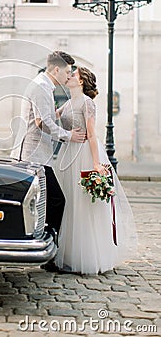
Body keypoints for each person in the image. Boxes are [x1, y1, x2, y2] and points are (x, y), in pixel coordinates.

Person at [54, 67, 137, 274]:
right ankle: (67, 254)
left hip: (82, 153)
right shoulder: (68, 102)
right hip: (67, 153)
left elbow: (91, 135)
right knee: (68, 202)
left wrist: (96, 163)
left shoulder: (86, 102)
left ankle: (85, 257)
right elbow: (51, 118)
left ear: (81, 82)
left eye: (74, 75)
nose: (70, 76)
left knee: (81, 205)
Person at [11, 51, 86, 270]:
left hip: (37, 155)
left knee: (41, 203)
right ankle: (49, 255)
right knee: (56, 201)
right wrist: (68, 136)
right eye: (67, 71)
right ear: (56, 70)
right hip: (33, 156)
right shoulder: (41, 87)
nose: (68, 75)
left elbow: (47, 116)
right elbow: (42, 122)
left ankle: (43, 250)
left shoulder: (43, 86)